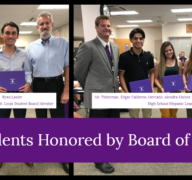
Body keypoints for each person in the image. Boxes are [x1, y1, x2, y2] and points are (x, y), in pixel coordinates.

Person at [74, 15, 119, 174]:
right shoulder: (88, 47)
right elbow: (79, 72)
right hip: (97, 95)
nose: (107, 28)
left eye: (108, 25)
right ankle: (99, 160)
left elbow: (113, 71)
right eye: (103, 26)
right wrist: (90, 87)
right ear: (96, 27)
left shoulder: (114, 47)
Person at [26, 11, 69, 174]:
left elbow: (67, 67)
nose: (44, 26)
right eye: (41, 24)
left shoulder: (63, 42)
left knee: (59, 121)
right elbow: (28, 70)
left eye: (47, 23)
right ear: (37, 27)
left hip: (57, 85)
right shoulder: (31, 47)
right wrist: (30, 89)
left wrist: (66, 90)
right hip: (38, 86)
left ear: (52, 25)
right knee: (41, 119)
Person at [0, 21, 33, 169]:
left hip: (20, 93)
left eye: (13, 33)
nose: (10, 36)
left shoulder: (24, 54)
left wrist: (28, 84)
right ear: (2, 35)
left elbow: (27, 73)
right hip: (3, 94)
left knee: (20, 123)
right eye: (7, 33)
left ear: (17, 35)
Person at [119, 28, 154, 118]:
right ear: (131, 40)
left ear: (143, 40)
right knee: (134, 117)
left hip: (146, 91)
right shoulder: (124, 56)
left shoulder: (148, 56)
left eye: (141, 38)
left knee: (147, 116)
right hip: (131, 92)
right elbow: (121, 75)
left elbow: (152, 72)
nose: (138, 40)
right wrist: (126, 92)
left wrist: (151, 87)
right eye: (135, 38)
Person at [154, 41, 182, 118]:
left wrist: (181, 85)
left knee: (173, 115)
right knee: (166, 115)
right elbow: (155, 79)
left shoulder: (178, 62)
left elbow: (180, 76)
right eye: (166, 51)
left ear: (173, 50)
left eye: (170, 50)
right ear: (163, 52)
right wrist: (161, 88)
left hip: (175, 91)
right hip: (163, 91)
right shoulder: (159, 63)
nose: (169, 52)